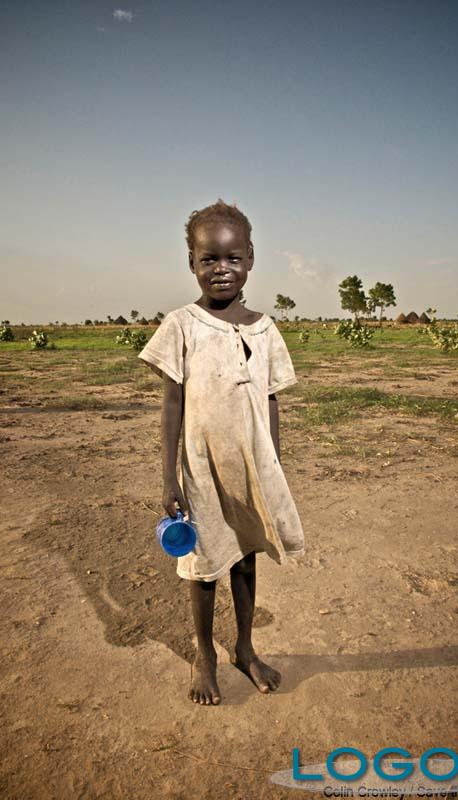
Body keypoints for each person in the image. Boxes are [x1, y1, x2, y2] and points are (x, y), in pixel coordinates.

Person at [137, 198, 305, 705]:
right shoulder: (181, 325)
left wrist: (272, 466)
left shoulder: (265, 329)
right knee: (205, 567)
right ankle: (205, 654)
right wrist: (169, 479)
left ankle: (245, 648)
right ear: (191, 262)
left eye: (232, 258)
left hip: (251, 470)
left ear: (250, 258)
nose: (221, 270)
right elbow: (172, 405)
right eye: (209, 259)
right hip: (202, 471)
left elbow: (270, 401)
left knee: (247, 560)